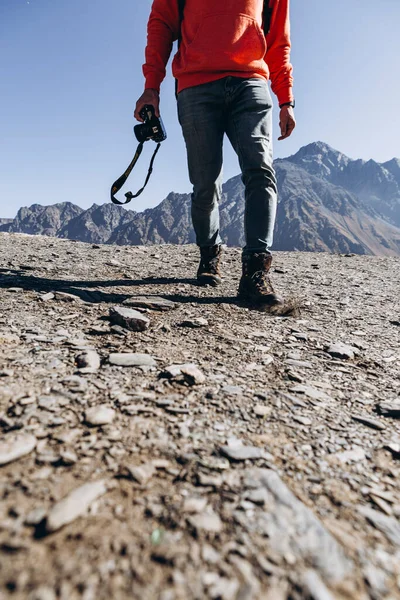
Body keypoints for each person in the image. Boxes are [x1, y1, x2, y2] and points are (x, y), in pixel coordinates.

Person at [134, 0, 295, 306]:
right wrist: (151, 87)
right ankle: (210, 253)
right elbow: (161, 25)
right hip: (196, 85)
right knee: (206, 182)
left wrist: (286, 98)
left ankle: (255, 273)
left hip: (251, 82)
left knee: (260, 169)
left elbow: (278, 39)